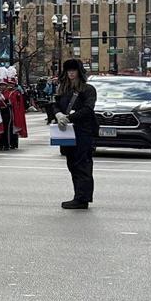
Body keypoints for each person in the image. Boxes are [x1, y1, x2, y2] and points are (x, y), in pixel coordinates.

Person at [51, 58, 98, 209]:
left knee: (82, 165)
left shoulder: (88, 89)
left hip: (83, 131)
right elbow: (55, 105)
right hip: (68, 131)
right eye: (69, 70)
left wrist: (68, 117)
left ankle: (82, 198)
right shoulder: (63, 89)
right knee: (72, 164)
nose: (71, 73)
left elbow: (88, 109)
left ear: (79, 72)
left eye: (73, 70)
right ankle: (78, 196)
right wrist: (57, 114)